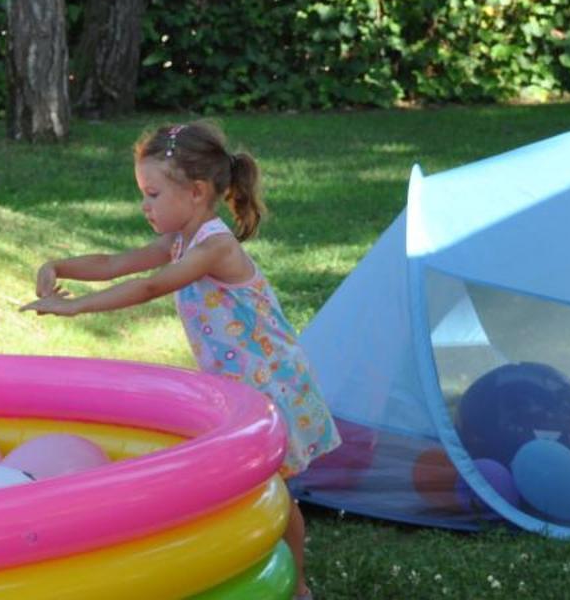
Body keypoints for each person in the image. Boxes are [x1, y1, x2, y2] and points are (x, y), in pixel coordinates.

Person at [24, 122, 339, 599]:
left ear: (195, 192)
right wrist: (59, 266)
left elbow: (151, 286)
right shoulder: (179, 241)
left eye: (151, 194)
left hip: (270, 380)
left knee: (277, 488)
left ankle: (298, 585)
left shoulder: (215, 246)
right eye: (142, 193)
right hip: (239, 383)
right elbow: (113, 263)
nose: (143, 205)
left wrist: (74, 306)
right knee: (259, 482)